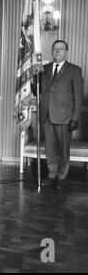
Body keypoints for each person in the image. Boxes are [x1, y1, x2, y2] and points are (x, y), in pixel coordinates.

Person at [40, 40, 83, 188]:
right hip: (46, 115)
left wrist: (75, 118)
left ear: (66, 52)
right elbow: (36, 91)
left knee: (64, 149)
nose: (57, 51)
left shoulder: (74, 70)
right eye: (55, 49)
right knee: (50, 148)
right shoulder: (43, 69)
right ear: (52, 51)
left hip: (65, 116)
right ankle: (52, 174)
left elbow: (78, 96)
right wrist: (33, 80)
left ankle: (62, 176)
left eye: (61, 49)